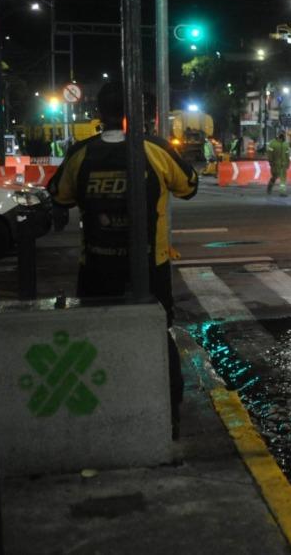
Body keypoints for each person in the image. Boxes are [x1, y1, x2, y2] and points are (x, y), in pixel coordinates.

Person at [47, 81, 198, 434]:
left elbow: (60, 195)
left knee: (99, 335)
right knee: (158, 335)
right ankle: (170, 414)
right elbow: (188, 187)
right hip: (150, 267)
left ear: (100, 114)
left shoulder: (82, 153)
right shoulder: (155, 150)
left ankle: (107, 412)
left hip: (97, 267)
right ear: (138, 115)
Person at [266, 129, 290, 196]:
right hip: (275, 165)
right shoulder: (272, 143)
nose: (282, 135)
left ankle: (282, 192)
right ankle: (269, 187)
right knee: (274, 177)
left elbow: (287, 155)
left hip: (283, 165)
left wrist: (288, 163)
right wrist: (271, 162)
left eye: (283, 134)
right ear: (278, 134)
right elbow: (269, 154)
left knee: (283, 179)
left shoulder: (285, 144)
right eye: (281, 133)